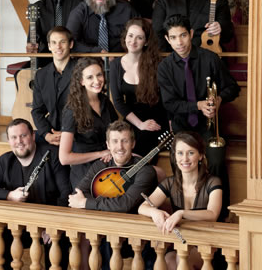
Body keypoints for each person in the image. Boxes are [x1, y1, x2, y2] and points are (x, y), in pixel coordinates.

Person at [157, 14, 240, 219]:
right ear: (168, 39)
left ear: (191, 34)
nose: (180, 42)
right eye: (174, 37)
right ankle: (183, 213)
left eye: (183, 35)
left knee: (217, 163)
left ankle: (221, 216)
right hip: (182, 127)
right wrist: (197, 105)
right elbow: (169, 103)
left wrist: (218, 100)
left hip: (207, 127)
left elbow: (233, 88)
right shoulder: (165, 68)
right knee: (181, 166)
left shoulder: (209, 58)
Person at [0, 118, 71, 270]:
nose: (19, 141)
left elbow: (66, 193)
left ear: (32, 136)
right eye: (13, 137)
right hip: (21, 227)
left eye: (23, 136)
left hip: (50, 225)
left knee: (57, 243)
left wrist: (53, 225)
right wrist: (10, 195)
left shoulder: (51, 156)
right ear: (9, 140)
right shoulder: (5, 161)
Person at [69, 120, 157, 270]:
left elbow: (125, 204)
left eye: (125, 141)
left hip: (138, 236)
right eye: (115, 141)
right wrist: (104, 205)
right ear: (108, 145)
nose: (120, 147)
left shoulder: (145, 171)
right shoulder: (100, 165)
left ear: (133, 143)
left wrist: (87, 203)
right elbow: (77, 193)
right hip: (105, 233)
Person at [138, 131, 222, 270]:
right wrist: (154, 212)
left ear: (200, 155)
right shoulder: (170, 183)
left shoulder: (212, 182)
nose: (185, 159)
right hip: (182, 244)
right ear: (175, 156)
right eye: (180, 153)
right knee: (168, 260)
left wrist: (181, 213)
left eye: (190, 153)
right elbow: (142, 207)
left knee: (182, 256)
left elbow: (212, 214)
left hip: (207, 246)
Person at [110, 17, 169, 160]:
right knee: (122, 141)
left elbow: (167, 99)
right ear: (125, 37)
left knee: (140, 143)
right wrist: (140, 124)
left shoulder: (157, 64)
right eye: (130, 36)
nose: (133, 41)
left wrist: (149, 125)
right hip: (133, 119)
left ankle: (141, 180)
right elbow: (118, 101)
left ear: (146, 42)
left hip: (156, 118)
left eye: (139, 38)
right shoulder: (116, 65)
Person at [59, 57, 118, 190]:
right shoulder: (71, 110)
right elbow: (64, 158)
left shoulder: (105, 102)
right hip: (85, 174)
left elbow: (116, 132)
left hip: (109, 165)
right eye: (90, 77)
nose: (97, 81)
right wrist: (101, 153)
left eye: (99, 75)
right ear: (81, 81)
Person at [27, 0, 83, 67]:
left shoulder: (81, 4)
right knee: (20, 73)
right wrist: (31, 46)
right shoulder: (37, 7)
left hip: (75, 56)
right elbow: (33, 39)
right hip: (47, 59)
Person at [66, 0, 139, 53]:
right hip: (89, 60)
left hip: (121, 59)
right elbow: (70, 42)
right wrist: (98, 52)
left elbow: (141, 33)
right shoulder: (79, 12)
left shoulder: (126, 9)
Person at [31, 26, 76, 145]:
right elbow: (37, 111)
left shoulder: (81, 71)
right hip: (52, 132)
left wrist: (68, 134)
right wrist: (47, 134)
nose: (58, 47)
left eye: (63, 42)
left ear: (70, 44)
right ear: (49, 46)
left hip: (78, 134)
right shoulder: (41, 75)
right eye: (54, 43)